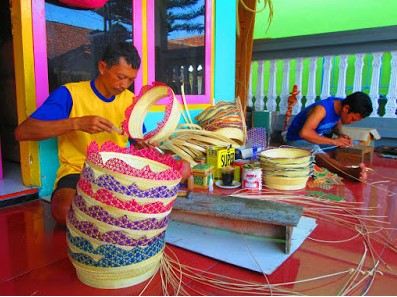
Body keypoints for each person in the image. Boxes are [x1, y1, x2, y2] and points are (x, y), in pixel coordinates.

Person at [15, 42, 153, 225]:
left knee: (181, 169)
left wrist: (145, 143)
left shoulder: (131, 101)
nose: (124, 85)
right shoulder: (70, 94)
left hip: (117, 172)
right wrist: (77, 123)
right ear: (102, 67)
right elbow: (22, 132)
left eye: (130, 80)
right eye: (121, 77)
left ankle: (104, 210)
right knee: (63, 211)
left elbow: (139, 141)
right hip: (78, 171)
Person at [284, 91, 373, 182]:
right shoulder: (322, 109)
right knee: (316, 152)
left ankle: (325, 161)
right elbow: (305, 133)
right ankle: (347, 172)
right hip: (297, 140)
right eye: (353, 119)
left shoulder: (341, 105)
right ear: (346, 109)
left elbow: (336, 121)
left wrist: (341, 134)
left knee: (351, 144)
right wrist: (334, 141)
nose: (351, 122)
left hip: (316, 139)